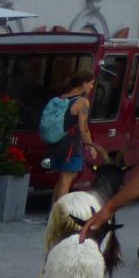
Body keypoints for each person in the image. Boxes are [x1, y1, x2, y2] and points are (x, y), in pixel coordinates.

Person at [46, 71, 101, 203]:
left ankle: (53, 212)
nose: (92, 87)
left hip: (57, 142)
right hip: (71, 146)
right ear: (84, 83)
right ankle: (59, 215)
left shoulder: (62, 98)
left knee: (62, 179)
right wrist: (91, 147)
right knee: (66, 179)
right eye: (91, 84)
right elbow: (84, 128)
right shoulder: (82, 102)